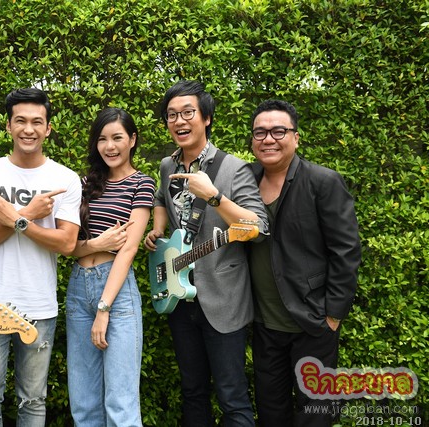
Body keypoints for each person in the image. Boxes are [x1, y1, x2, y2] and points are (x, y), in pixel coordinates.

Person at [143, 80, 268, 427]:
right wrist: (157, 229)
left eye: (188, 113)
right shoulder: (167, 166)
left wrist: (214, 197)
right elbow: (160, 198)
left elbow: (259, 227)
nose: (179, 121)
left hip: (224, 299)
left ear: (206, 118)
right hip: (179, 297)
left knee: (232, 397)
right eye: (172, 115)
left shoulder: (234, 168)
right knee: (193, 391)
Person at [0, 87, 81, 426]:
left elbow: (67, 243)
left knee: (33, 401)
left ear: (48, 129)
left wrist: (16, 219)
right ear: (8, 126)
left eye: (37, 122)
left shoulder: (65, 179)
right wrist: (28, 213)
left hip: (38, 306)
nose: (28, 129)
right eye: (20, 121)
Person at [247, 99, 361, 426]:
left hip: (311, 322)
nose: (268, 139)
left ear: (296, 138)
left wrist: (333, 315)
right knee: (271, 411)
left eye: (278, 131)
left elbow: (346, 250)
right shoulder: (246, 180)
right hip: (264, 323)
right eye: (260, 132)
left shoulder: (322, 181)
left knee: (316, 412)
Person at [66, 108, 155, 426]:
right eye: (102, 139)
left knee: (120, 403)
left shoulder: (142, 184)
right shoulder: (83, 184)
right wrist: (96, 244)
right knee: (84, 403)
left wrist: (104, 308)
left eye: (117, 137)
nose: (110, 146)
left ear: (132, 140)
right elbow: (69, 247)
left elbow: (129, 249)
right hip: (78, 288)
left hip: (116, 293)